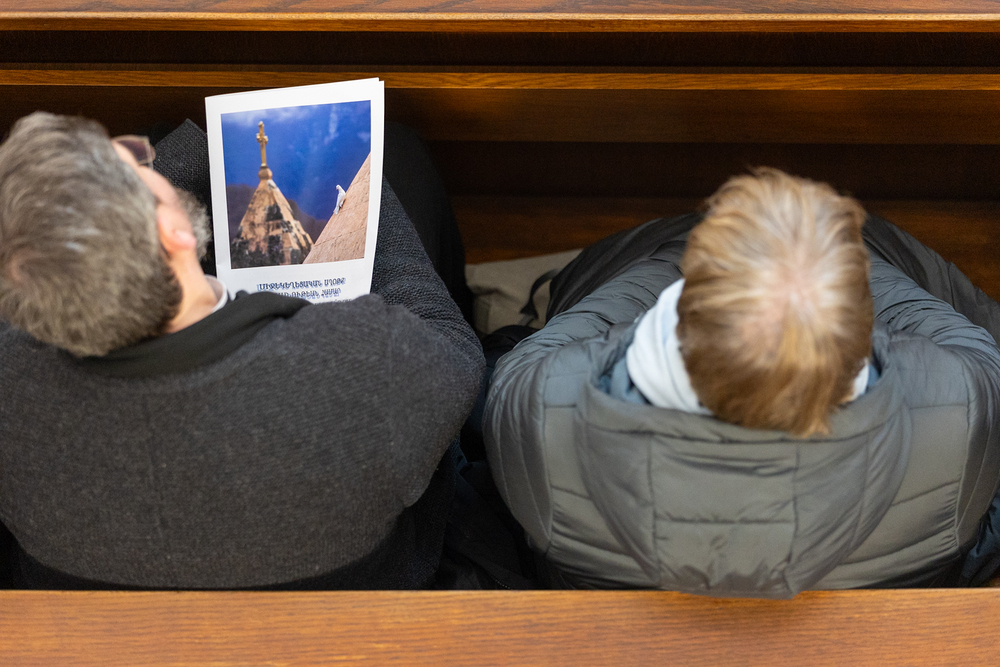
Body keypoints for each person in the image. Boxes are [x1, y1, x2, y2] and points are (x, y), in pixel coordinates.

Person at [0, 112, 484, 589]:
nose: (146, 159)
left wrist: (183, 163)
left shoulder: (12, 390)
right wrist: (361, 196)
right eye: (137, 164)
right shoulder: (363, 361)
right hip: (359, 619)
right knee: (400, 149)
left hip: (105, 626)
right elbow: (452, 344)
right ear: (173, 233)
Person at [483, 168, 1000, 597]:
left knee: (639, 249)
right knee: (882, 240)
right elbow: (968, 341)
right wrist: (834, 273)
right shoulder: (960, 408)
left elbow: (549, 346)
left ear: (687, 303)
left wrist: (686, 260)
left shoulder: (542, 406)